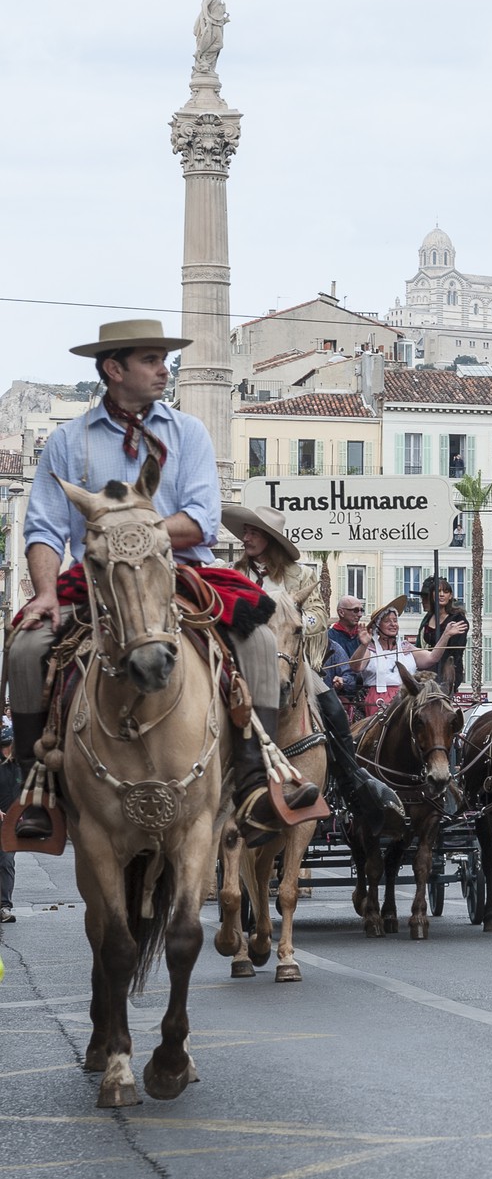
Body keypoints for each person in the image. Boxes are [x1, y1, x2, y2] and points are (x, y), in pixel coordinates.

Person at [9, 318, 321, 846]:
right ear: (114, 369)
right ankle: (35, 785)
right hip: (98, 579)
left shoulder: (189, 432)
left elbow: (200, 519)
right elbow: (43, 527)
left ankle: (253, 779)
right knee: (25, 646)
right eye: (151, 359)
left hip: (182, 571)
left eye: (163, 359)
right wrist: (43, 592)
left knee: (262, 640)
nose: (163, 369)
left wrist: (128, 529)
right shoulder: (68, 441)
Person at [221, 503, 397, 832]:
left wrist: (292, 616)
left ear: (269, 539)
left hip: (289, 659)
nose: (246, 536)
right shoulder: (234, 572)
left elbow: (317, 616)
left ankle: (351, 781)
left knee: (332, 709)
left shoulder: (300, 576)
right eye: (245, 531)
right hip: (242, 662)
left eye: (253, 531)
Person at [350, 596, 465, 715]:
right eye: (387, 621)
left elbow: (432, 658)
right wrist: (363, 645)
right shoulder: (370, 650)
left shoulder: (406, 648)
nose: (393, 624)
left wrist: (446, 635)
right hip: (377, 702)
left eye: (395, 620)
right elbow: (355, 667)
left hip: (407, 699)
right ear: (377, 627)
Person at [416, 578, 468, 692]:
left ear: (450, 596)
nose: (441, 595)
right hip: (425, 671)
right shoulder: (428, 618)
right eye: (438, 591)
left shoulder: (457, 619)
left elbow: (456, 651)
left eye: (445, 592)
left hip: (446, 671)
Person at [324, 595, 367, 718]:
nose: (359, 614)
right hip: (337, 700)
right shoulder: (328, 639)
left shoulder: (364, 637)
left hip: (364, 698)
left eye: (361, 610)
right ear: (341, 612)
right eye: (355, 610)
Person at [0, 723, 19, 922]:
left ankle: (5, 906)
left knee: (6, 862)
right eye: (7, 746)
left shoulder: (21, 766)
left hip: (10, 825)